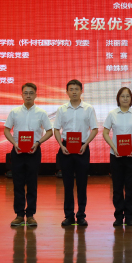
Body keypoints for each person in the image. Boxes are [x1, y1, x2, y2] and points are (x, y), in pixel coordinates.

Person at [4, 82, 53, 227]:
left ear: (36, 95)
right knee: (18, 184)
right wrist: (14, 143)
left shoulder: (41, 113)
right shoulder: (14, 112)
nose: (28, 96)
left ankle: (30, 215)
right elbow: (6, 130)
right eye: (25, 93)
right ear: (21, 95)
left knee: (32, 184)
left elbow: (49, 131)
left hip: (34, 152)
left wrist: (38, 142)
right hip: (17, 151)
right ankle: (19, 215)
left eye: (31, 93)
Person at [54, 79, 98, 227]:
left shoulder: (88, 108)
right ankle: (68, 216)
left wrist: (86, 144)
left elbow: (95, 129)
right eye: (71, 89)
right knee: (67, 184)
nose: (74, 92)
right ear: (67, 92)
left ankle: (81, 215)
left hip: (82, 148)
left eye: (76, 89)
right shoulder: (62, 109)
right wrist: (61, 145)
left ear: (81, 91)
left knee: (82, 183)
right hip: (66, 148)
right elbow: (56, 129)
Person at [102, 87, 132, 227]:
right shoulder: (112, 114)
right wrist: (113, 147)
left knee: (130, 187)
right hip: (116, 155)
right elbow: (105, 132)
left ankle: (129, 216)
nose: (125, 98)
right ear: (118, 98)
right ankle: (118, 216)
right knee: (117, 187)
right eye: (122, 96)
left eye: (128, 96)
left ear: (131, 98)